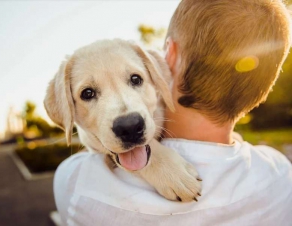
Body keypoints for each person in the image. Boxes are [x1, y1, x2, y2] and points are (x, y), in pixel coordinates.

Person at [53, 0, 292, 225]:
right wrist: (152, 158)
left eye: (135, 79)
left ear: (169, 56)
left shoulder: (77, 183)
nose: (125, 115)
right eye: (88, 94)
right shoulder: (281, 176)